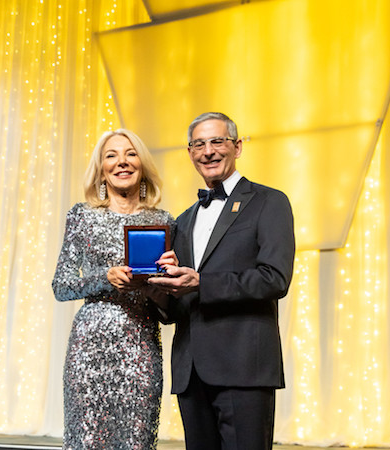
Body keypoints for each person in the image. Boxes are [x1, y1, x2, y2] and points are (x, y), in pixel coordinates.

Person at [148, 112, 295, 450]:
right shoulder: (183, 220)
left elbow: (274, 279)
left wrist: (201, 282)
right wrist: (158, 292)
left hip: (244, 367)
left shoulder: (269, 202)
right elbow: (177, 306)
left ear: (237, 147)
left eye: (218, 141)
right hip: (191, 371)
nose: (208, 151)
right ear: (190, 153)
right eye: (199, 144)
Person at [51, 129, 174, 449]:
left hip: (140, 348)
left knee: (136, 440)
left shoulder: (164, 221)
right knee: (88, 440)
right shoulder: (82, 216)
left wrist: (162, 280)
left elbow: (170, 305)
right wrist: (104, 278)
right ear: (101, 168)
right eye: (111, 155)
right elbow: (61, 286)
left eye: (131, 154)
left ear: (143, 164)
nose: (122, 162)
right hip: (89, 350)